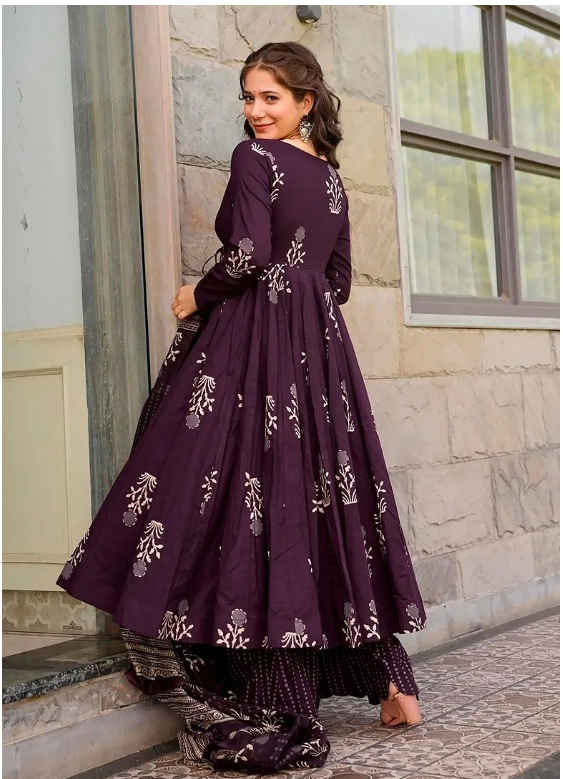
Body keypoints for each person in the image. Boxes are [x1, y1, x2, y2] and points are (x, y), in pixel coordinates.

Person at [57, 41, 426, 772]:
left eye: (270, 98)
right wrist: (300, 305)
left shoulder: (254, 158)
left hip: (253, 344)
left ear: (305, 103)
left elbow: (249, 254)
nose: (256, 112)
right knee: (320, 505)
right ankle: (392, 681)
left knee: (232, 490)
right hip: (319, 359)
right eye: (248, 98)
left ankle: (277, 690)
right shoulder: (330, 179)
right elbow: (339, 281)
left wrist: (198, 295)